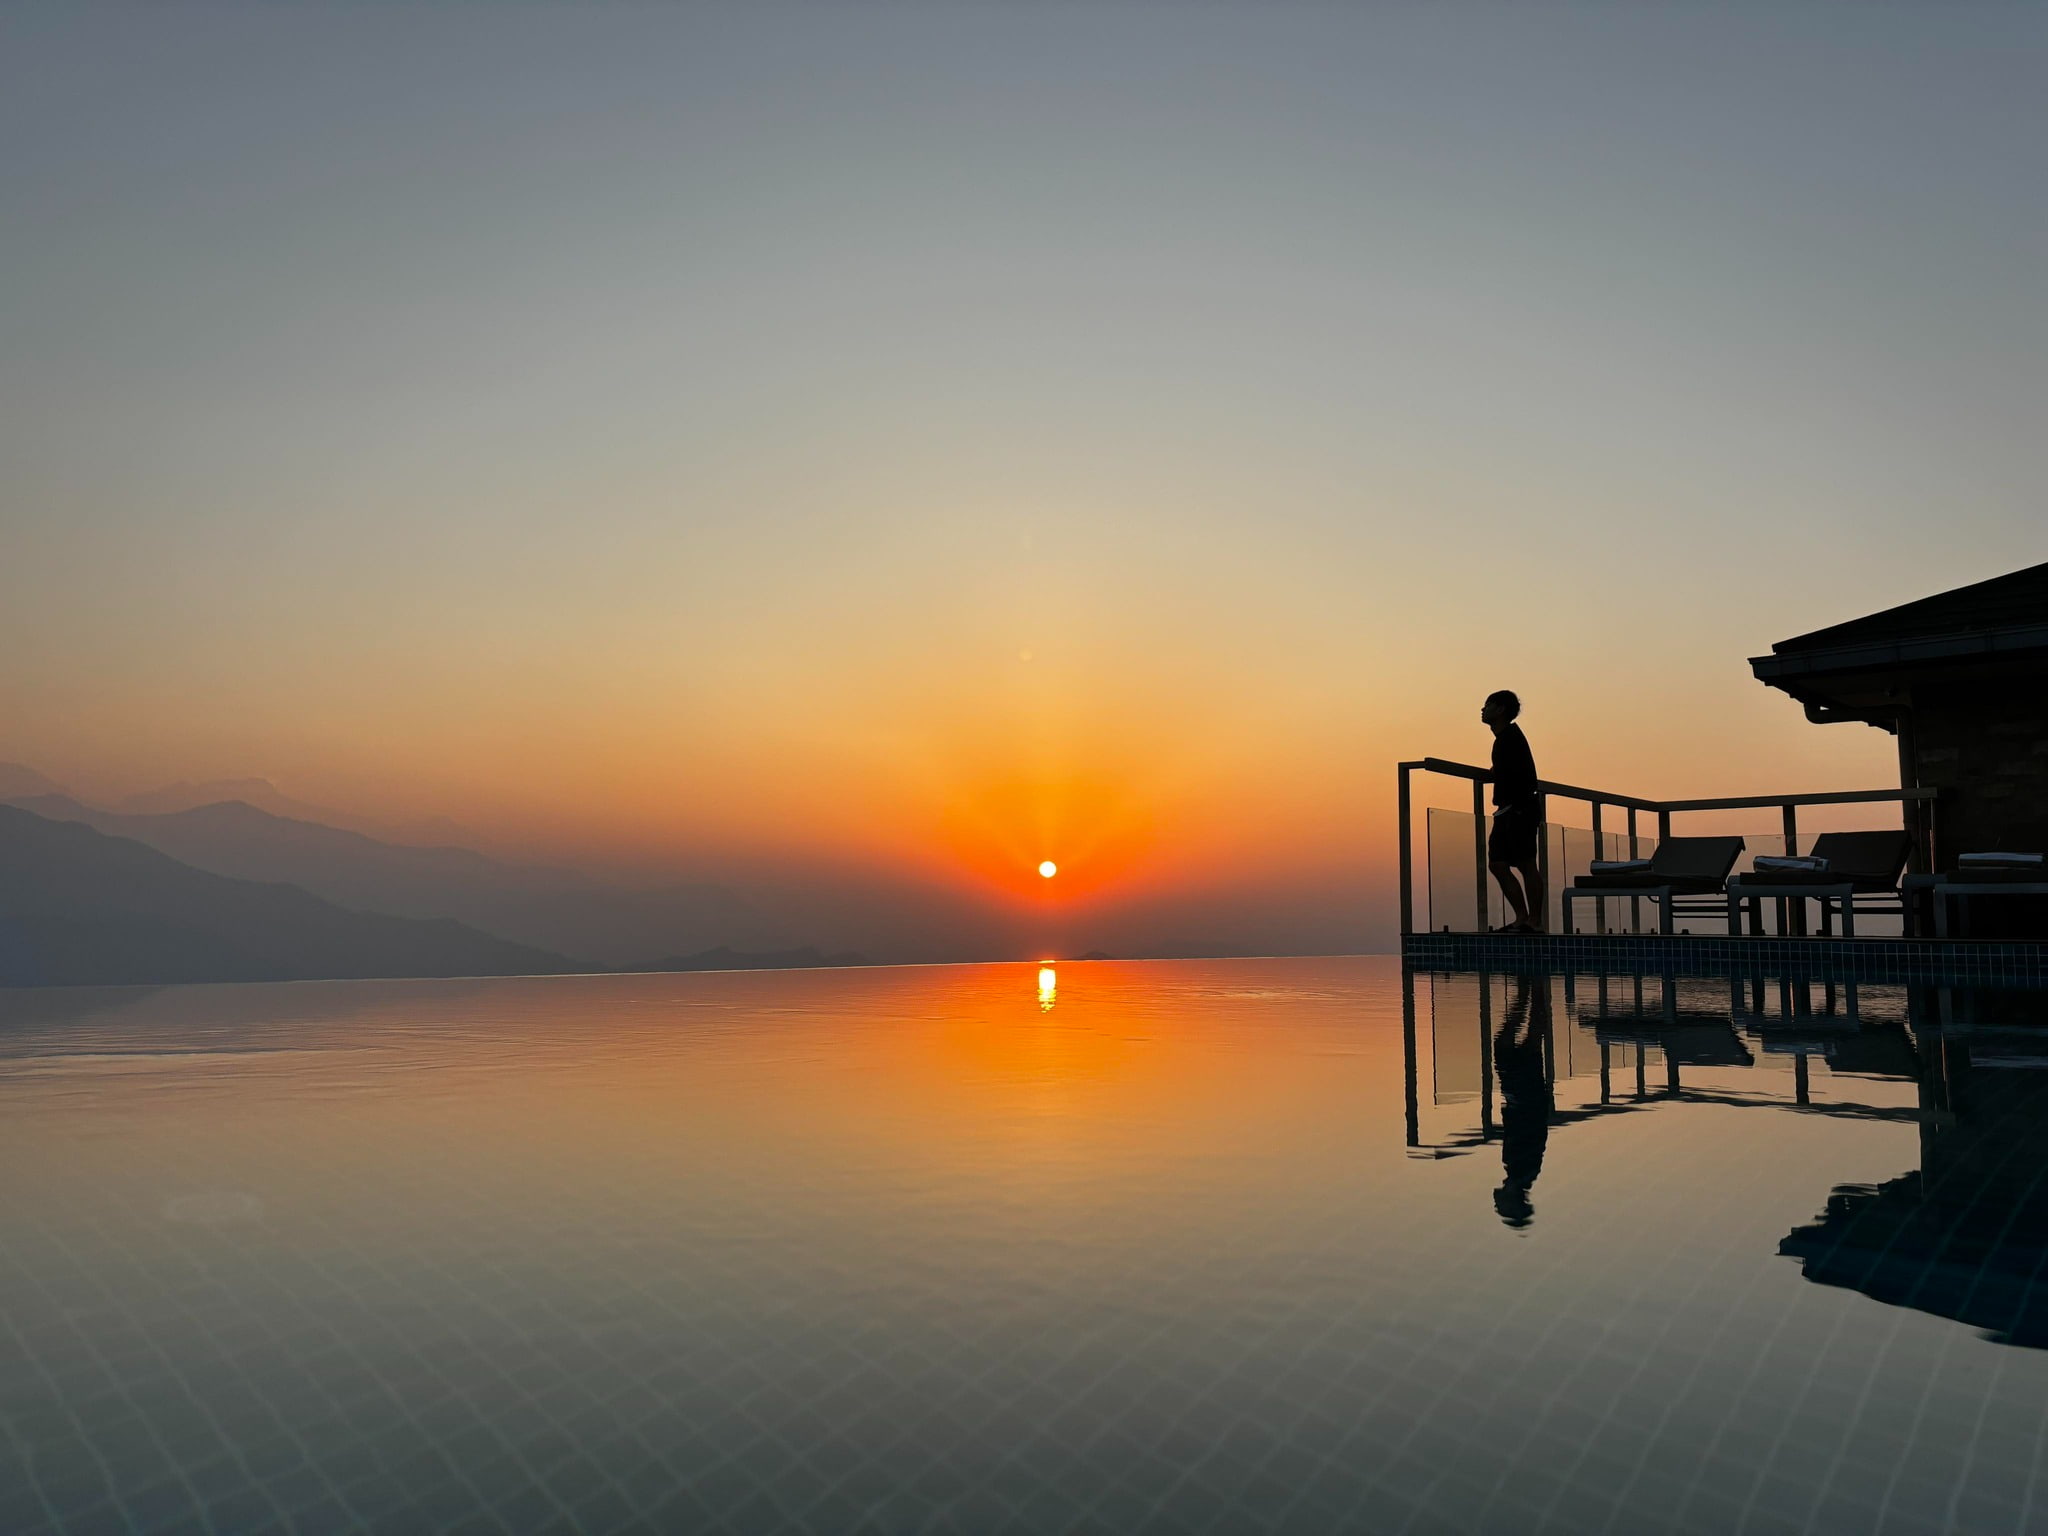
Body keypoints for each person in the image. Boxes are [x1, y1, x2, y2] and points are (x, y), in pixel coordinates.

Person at [1481, 689, 1545, 933]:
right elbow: (1507, 767)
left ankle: (1534, 921)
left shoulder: (1510, 737)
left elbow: (1520, 773)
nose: (1483, 709)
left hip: (1519, 809)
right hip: (1507, 810)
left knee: (1526, 863)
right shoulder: (1505, 739)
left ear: (1501, 709)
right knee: (1497, 863)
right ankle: (1522, 917)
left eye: (1488, 705)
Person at [1492, 972, 1552, 1227]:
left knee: (1525, 1041)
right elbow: (1530, 1132)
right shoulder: (1522, 1170)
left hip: (1524, 1098)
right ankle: (1533, 988)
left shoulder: (1521, 1171)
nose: (1496, 1202)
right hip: (1523, 1098)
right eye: (1501, 1205)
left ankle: (1531, 989)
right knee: (1520, 1042)